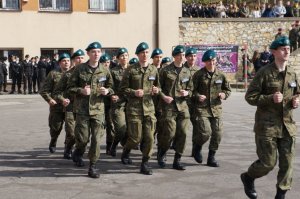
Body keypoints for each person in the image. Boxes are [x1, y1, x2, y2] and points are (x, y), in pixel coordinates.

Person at [241, 36, 299, 199]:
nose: (287, 50)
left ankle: (281, 194)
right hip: (267, 127)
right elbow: (250, 97)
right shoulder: (264, 73)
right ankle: (248, 177)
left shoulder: (292, 73)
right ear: (274, 52)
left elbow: (297, 93)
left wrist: (296, 100)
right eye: (283, 48)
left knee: (287, 164)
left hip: (287, 125)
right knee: (268, 163)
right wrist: (269, 98)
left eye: (288, 48)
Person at [67, 42, 114, 178]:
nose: (96, 54)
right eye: (93, 51)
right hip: (82, 110)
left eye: (99, 51)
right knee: (82, 139)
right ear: (88, 53)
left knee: (96, 140)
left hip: (98, 110)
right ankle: (78, 152)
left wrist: (107, 91)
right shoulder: (79, 69)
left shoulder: (104, 70)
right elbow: (70, 88)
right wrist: (81, 90)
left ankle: (92, 166)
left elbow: (112, 87)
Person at [119, 42, 160, 175]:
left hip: (149, 109)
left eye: (147, 52)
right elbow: (123, 89)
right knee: (136, 138)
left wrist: (156, 90)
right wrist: (134, 92)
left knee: (149, 138)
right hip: (134, 109)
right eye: (142, 52)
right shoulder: (130, 70)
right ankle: (126, 151)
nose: (145, 55)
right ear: (137, 55)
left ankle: (145, 162)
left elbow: (158, 86)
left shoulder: (153, 70)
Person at [192, 49, 231, 167]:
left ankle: (211, 157)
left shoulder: (221, 75)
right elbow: (191, 91)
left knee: (218, 133)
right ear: (205, 62)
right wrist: (198, 96)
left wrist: (224, 95)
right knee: (205, 132)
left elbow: (227, 89)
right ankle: (197, 147)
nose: (212, 63)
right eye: (209, 61)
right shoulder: (198, 75)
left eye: (213, 60)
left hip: (216, 108)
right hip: (202, 109)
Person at [157, 45, 193, 171]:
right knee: (169, 133)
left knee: (182, 133)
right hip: (169, 107)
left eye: (183, 55)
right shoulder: (165, 71)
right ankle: (162, 151)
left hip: (183, 106)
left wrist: (188, 93)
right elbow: (158, 88)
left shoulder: (187, 71)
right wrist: (164, 97)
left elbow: (191, 89)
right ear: (174, 56)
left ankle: (177, 160)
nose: (182, 57)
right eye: (179, 55)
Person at [53, 49, 85, 159]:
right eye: (77, 58)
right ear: (73, 60)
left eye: (82, 58)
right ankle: (68, 147)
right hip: (71, 106)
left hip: (85, 108)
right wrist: (62, 99)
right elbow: (56, 92)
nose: (80, 60)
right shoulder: (67, 75)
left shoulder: (89, 73)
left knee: (83, 134)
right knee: (71, 132)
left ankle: (78, 152)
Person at [39, 53, 71, 156]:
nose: (66, 62)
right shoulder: (53, 74)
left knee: (71, 130)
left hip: (70, 106)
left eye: (68, 60)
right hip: (56, 106)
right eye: (64, 61)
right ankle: (53, 140)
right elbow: (44, 90)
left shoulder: (74, 73)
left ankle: (68, 148)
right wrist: (49, 100)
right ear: (59, 63)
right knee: (55, 128)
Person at [109, 48, 129, 157]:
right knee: (121, 128)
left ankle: (126, 152)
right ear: (117, 59)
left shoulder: (133, 69)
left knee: (131, 130)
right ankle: (114, 145)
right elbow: (109, 86)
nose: (124, 57)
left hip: (132, 103)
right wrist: (112, 95)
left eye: (126, 55)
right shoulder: (113, 71)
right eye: (122, 56)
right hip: (118, 104)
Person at [184, 47, 199, 157]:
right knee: (182, 128)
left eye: (194, 56)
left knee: (197, 127)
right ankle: (178, 147)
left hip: (195, 102)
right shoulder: (180, 68)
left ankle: (195, 150)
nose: (192, 58)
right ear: (186, 57)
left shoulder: (199, 71)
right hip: (183, 102)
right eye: (190, 56)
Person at [99, 53, 115, 155]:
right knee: (99, 126)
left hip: (110, 103)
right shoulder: (98, 73)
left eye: (108, 62)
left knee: (111, 125)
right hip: (99, 103)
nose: (106, 64)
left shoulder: (112, 73)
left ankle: (109, 146)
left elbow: (115, 87)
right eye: (104, 62)